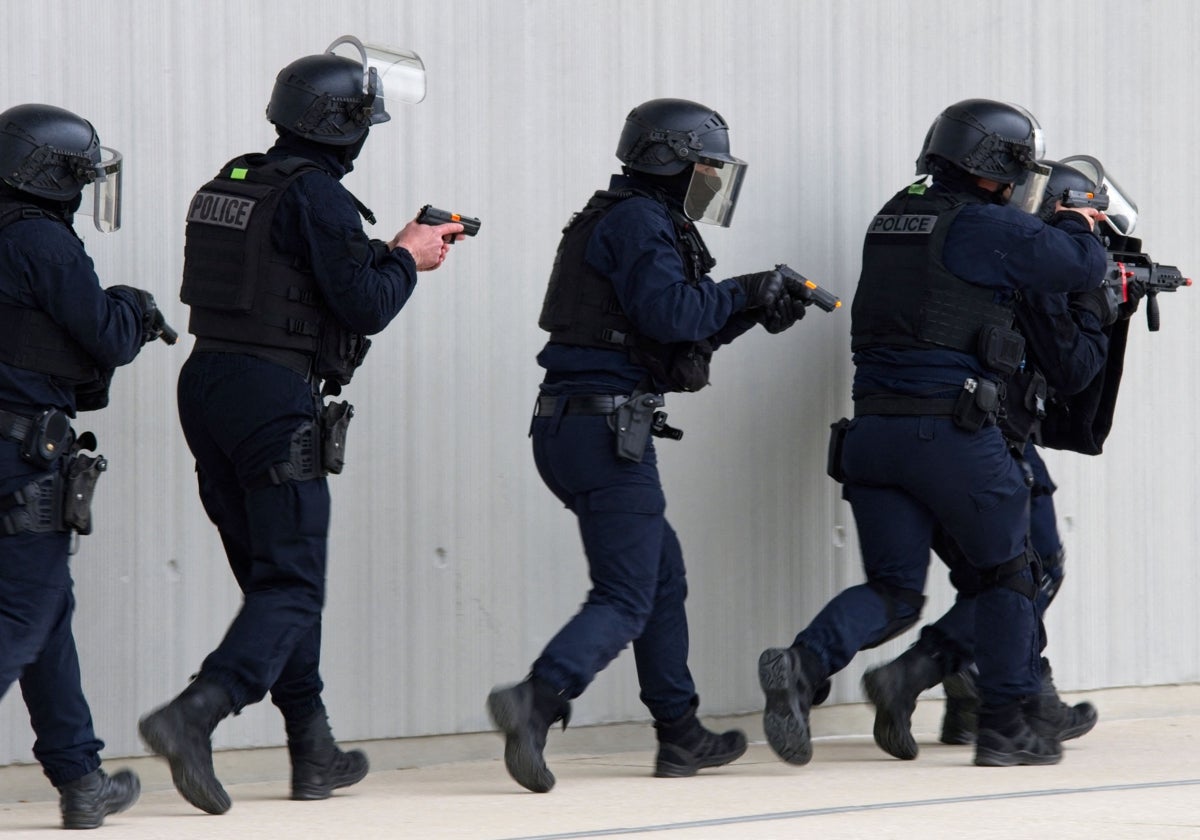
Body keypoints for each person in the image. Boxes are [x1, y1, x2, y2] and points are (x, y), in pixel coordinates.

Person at [137, 36, 462, 815]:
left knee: (271, 582)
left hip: (208, 384)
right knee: (292, 581)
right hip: (269, 395)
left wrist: (377, 255)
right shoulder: (317, 195)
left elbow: (297, 278)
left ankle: (312, 746)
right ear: (342, 125)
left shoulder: (232, 181)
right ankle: (199, 711)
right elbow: (365, 306)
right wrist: (408, 256)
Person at [758, 99, 1107, 769]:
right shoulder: (980, 223)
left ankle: (801, 665)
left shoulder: (897, 213)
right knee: (1011, 575)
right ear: (994, 167)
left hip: (872, 435)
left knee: (893, 590)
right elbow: (1079, 267)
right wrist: (1076, 221)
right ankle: (1004, 727)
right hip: (950, 436)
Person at [486, 98, 809, 793]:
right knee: (628, 593)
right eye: (706, 166)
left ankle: (680, 733)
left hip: (583, 425)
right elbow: (673, 313)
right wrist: (746, 288)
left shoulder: (630, 217)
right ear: (672, 159)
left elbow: (671, 341)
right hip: (602, 432)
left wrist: (754, 311)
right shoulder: (638, 221)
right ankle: (536, 700)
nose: (713, 180)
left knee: (661, 577)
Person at [866, 156, 1142, 756]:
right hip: (982, 436)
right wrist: (1101, 305)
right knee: (1025, 569)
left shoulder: (989, 240)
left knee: (1002, 573)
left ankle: (985, 696)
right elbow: (1071, 369)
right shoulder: (1025, 260)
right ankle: (940, 683)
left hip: (948, 431)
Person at [0, 103, 169, 829]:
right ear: (49, 175)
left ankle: (81, 777)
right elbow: (102, 335)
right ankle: (80, 775)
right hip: (19, 454)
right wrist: (135, 306)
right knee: (22, 614)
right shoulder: (41, 241)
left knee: (48, 614)